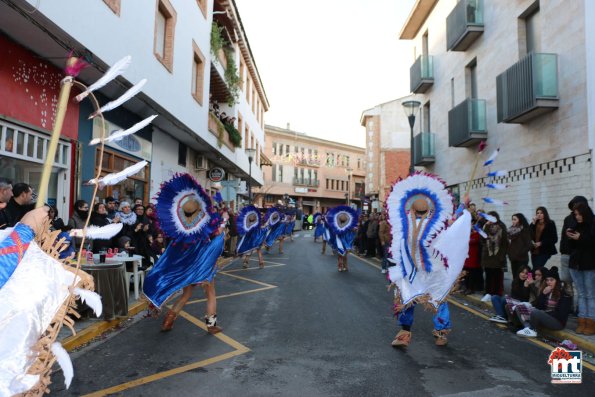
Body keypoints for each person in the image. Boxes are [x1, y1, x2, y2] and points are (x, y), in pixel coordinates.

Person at [387, 173, 472, 347]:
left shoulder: (438, 222)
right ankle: (404, 333)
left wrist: (463, 204)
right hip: (410, 268)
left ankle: (441, 332)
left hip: (433, 268)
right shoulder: (403, 222)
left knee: (438, 298)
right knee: (405, 297)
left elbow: (453, 222)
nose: (419, 206)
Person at [143, 174, 226, 334]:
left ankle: (169, 320)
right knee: (210, 294)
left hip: (188, 267)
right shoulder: (207, 223)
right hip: (204, 266)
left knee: (186, 294)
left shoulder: (182, 229)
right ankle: (211, 325)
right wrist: (222, 220)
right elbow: (218, 235)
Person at [516, 267, 572, 337]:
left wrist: (544, 313)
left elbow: (561, 313)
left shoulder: (564, 293)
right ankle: (528, 328)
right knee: (520, 306)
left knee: (535, 312)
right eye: (547, 280)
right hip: (545, 316)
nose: (549, 282)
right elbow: (539, 306)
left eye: (552, 280)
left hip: (557, 321)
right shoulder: (547, 289)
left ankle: (532, 330)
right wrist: (543, 294)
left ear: (557, 281)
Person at [566, 201, 595, 335]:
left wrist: (581, 237)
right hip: (575, 264)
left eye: (579, 214)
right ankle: (582, 322)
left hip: (589, 265)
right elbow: (571, 247)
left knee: (590, 294)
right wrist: (571, 237)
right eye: (575, 214)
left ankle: (591, 323)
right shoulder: (576, 224)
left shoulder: (592, 223)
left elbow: (591, 243)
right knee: (582, 294)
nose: (577, 217)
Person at [481, 211, 509, 301]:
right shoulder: (486, 226)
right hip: (488, 256)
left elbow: (505, 243)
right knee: (489, 276)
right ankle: (488, 293)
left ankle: (496, 294)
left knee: (497, 276)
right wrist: (486, 226)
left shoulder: (502, 226)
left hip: (498, 255)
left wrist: (502, 255)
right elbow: (483, 239)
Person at [326, 206, 358, 272]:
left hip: (345, 241)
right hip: (339, 241)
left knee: (345, 255)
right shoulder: (336, 225)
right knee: (340, 254)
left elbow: (353, 231)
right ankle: (340, 266)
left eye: (344, 217)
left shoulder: (349, 226)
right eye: (342, 218)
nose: (343, 218)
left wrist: (354, 229)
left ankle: (345, 266)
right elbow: (332, 230)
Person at [507, 213, 532, 277]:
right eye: (512, 219)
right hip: (513, 258)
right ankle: (515, 287)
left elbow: (529, 245)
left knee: (522, 277)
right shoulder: (510, 231)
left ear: (520, 220)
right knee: (515, 276)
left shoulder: (524, 230)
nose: (513, 221)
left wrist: (520, 253)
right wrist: (510, 254)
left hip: (522, 258)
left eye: (515, 219)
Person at [462, 222, 483, 295]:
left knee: (472, 274)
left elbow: (473, 241)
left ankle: (471, 288)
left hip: (473, 257)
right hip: (467, 257)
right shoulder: (467, 234)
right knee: (466, 273)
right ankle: (467, 287)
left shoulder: (477, 234)